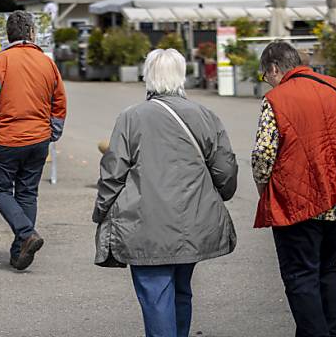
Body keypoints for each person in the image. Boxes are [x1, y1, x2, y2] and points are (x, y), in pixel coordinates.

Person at [94, 48, 237, 337]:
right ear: (182, 76)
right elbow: (225, 170)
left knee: (155, 295)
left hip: (144, 223)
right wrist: (217, 196)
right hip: (193, 222)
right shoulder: (205, 115)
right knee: (182, 290)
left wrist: (101, 209)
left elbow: (113, 172)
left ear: (148, 76)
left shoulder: (131, 117)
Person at [253, 40, 336, 337]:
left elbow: (263, 155)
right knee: (327, 268)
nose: (266, 82)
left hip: (300, 202)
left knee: (300, 275)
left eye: (264, 76)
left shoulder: (277, 98)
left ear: (273, 68)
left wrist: (262, 187)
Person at [0, 10, 67, 270]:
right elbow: (59, 99)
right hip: (38, 138)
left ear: (9, 34)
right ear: (31, 33)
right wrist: (53, 131)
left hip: (6, 138)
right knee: (27, 193)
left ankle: (26, 234)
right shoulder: (46, 62)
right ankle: (19, 253)